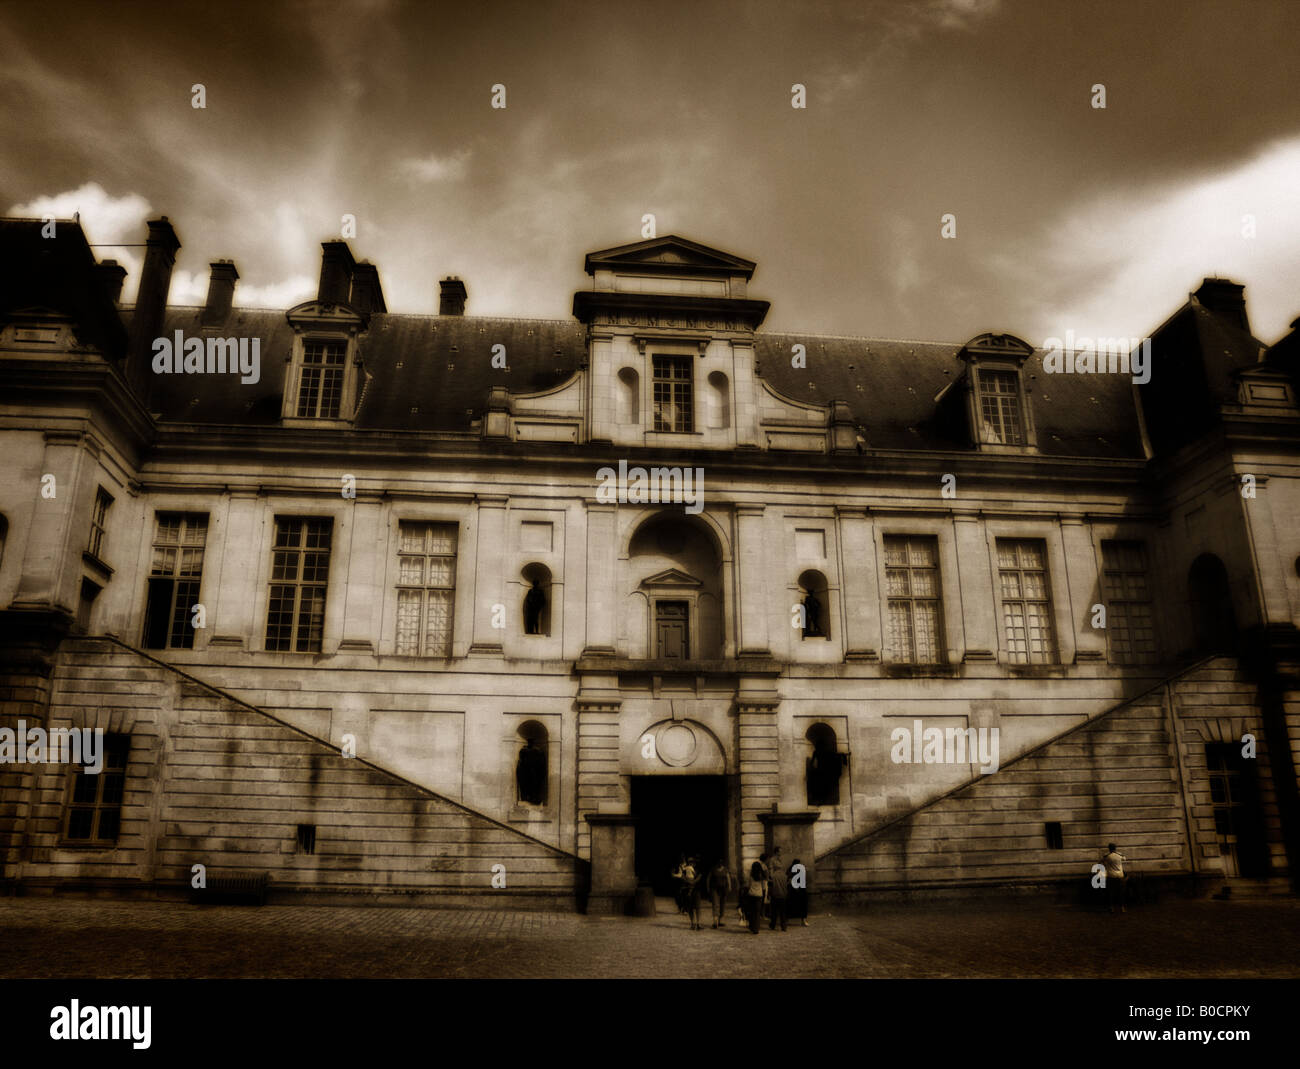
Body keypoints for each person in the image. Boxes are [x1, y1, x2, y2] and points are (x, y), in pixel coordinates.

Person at [767, 845, 789, 931]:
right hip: (777, 882)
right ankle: (778, 925)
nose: (781, 853)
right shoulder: (772, 860)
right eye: (780, 851)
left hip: (780, 882)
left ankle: (780, 925)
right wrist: (772, 876)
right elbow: (770, 869)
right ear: (776, 852)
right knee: (777, 909)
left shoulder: (781, 860)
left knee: (778, 909)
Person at [743, 858, 767, 934]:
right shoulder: (762, 877)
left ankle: (751, 926)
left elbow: (748, 886)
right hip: (759, 895)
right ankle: (756, 928)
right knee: (757, 912)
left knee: (751, 912)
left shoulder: (751, 877)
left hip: (751, 895)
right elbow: (763, 887)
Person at [707, 858, 733, 929]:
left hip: (723, 889)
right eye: (719, 862)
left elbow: (728, 878)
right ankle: (715, 922)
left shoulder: (725, 870)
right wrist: (708, 887)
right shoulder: (713, 869)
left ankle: (720, 920)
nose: (720, 864)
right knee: (715, 904)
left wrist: (729, 887)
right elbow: (708, 878)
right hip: (714, 889)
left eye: (721, 863)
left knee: (722, 904)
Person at [1102, 843, 1127, 913]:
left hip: (1111, 876)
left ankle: (1111, 907)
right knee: (1121, 893)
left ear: (1109, 848)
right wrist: (1118, 853)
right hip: (1120, 876)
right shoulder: (1119, 855)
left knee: (1111, 893)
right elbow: (1124, 858)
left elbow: (1102, 861)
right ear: (1115, 848)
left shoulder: (1106, 856)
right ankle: (1122, 908)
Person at [681, 856, 702, 930]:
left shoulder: (697, 869)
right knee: (690, 907)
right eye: (690, 862)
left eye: (692, 862)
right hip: (687, 889)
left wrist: (692, 882)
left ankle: (698, 923)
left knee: (698, 907)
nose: (691, 863)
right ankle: (692, 923)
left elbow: (699, 877)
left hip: (696, 890)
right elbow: (682, 877)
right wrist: (688, 881)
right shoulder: (686, 869)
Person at [788, 857, 809, 927]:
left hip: (795, 889)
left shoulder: (791, 869)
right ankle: (803, 921)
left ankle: (788, 920)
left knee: (791, 905)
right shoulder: (796, 869)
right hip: (798, 889)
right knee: (802, 905)